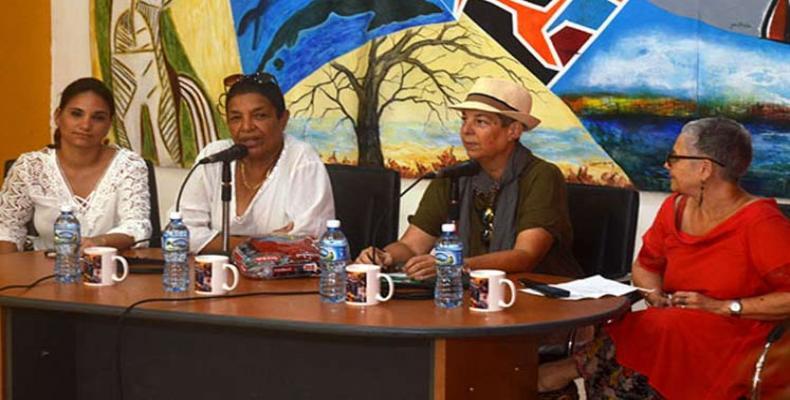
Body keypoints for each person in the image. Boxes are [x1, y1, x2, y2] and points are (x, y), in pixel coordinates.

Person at [538, 117, 790, 399]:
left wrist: (723, 306)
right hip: (677, 328)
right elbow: (645, 266)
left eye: (674, 158)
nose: (666, 166)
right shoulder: (674, 207)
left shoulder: (761, 223)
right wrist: (655, 295)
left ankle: (564, 371)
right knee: (644, 327)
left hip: (738, 336)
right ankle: (566, 376)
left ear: (704, 168)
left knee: (657, 327)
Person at [357, 77, 581, 279]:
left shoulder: (542, 176)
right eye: (464, 120)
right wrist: (385, 256)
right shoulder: (453, 177)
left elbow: (525, 255)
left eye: (481, 122)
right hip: (472, 297)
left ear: (513, 130)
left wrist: (457, 265)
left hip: (537, 299)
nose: (466, 130)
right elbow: (412, 246)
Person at [178, 72, 334, 253]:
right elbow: (181, 234)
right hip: (216, 276)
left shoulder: (302, 160)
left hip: (283, 280)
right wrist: (257, 243)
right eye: (236, 118)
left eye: (259, 116)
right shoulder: (214, 157)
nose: (246, 127)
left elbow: (307, 242)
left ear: (282, 119)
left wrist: (215, 241)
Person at [0, 77, 152, 253]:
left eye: (98, 118)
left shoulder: (129, 165)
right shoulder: (30, 167)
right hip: (44, 270)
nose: (86, 125)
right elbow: (7, 229)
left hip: (111, 270)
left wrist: (100, 242)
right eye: (76, 114)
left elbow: (137, 226)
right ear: (58, 117)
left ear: (109, 124)